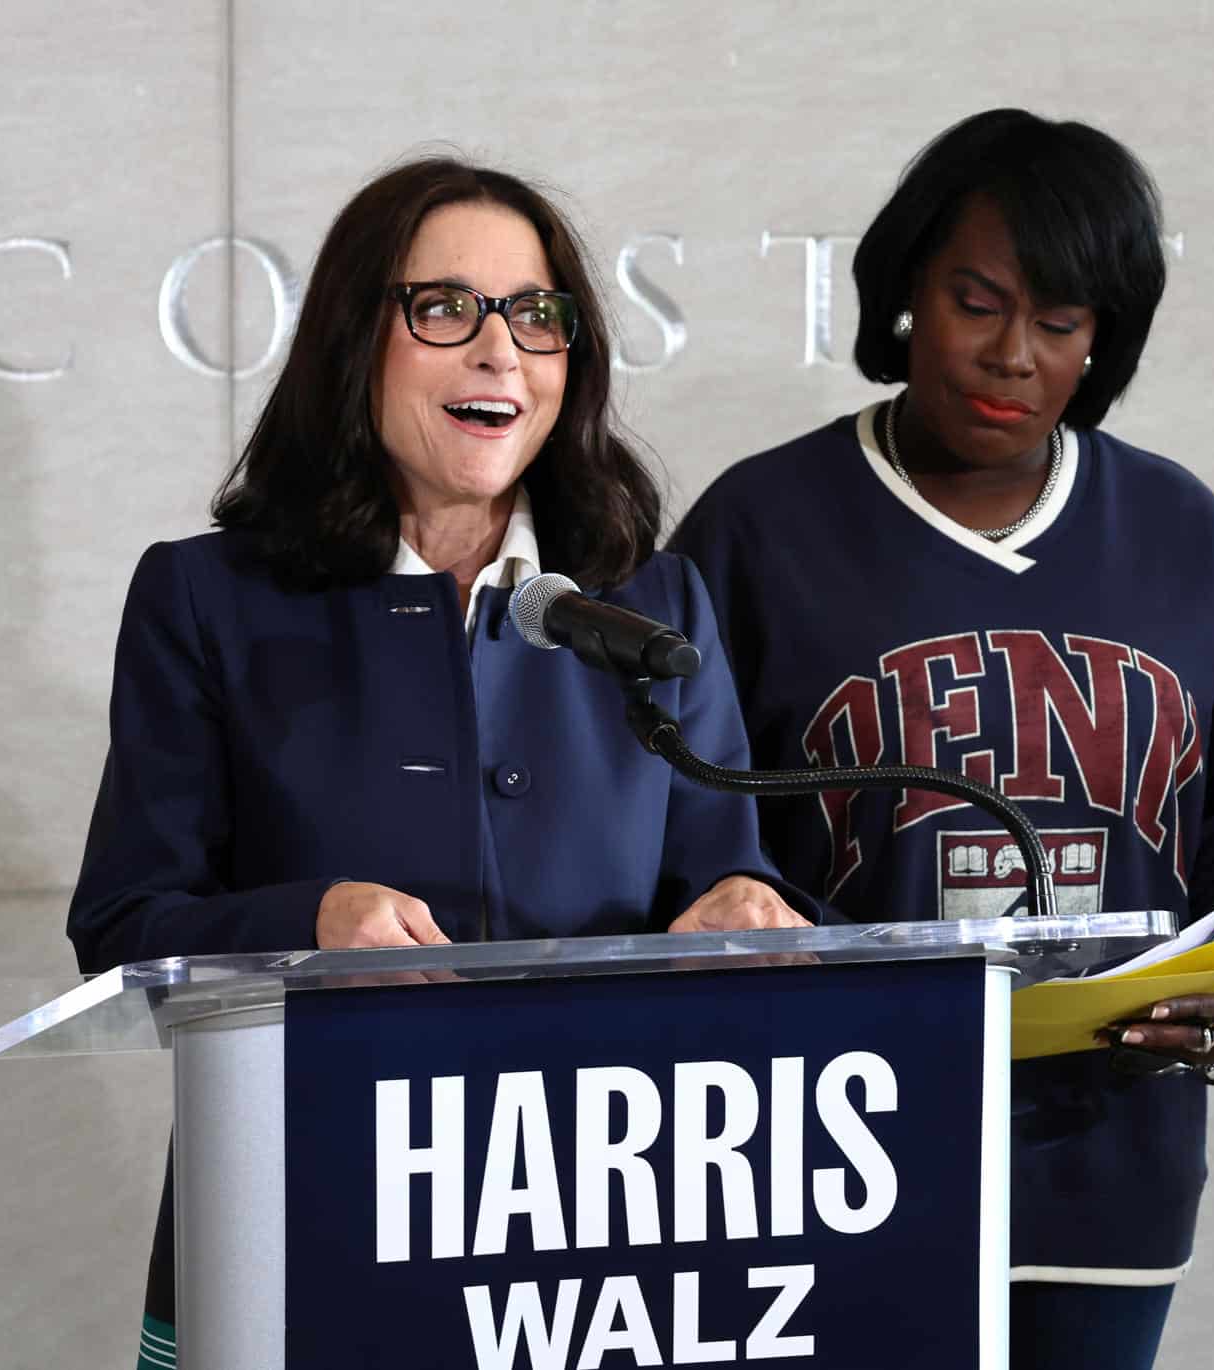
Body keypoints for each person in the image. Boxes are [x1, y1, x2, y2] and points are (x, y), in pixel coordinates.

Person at [66, 156, 812, 1369]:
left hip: (606, 1239)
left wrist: (743, 904)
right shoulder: (208, 600)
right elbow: (122, 921)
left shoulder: (650, 604)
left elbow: (722, 879)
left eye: (536, 314)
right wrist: (310, 923)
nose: (499, 351)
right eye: (446, 308)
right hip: (301, 1218)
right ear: (358, 339)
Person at [669, 109, 1214, 1370]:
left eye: (1060, 322)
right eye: (976, 301)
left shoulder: (1174, 527)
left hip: (1108, 1171)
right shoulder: (761, 523)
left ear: (1104, 338)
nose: (1013, 356)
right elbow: (667, 815)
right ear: (906, 293)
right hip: (830, 1162)